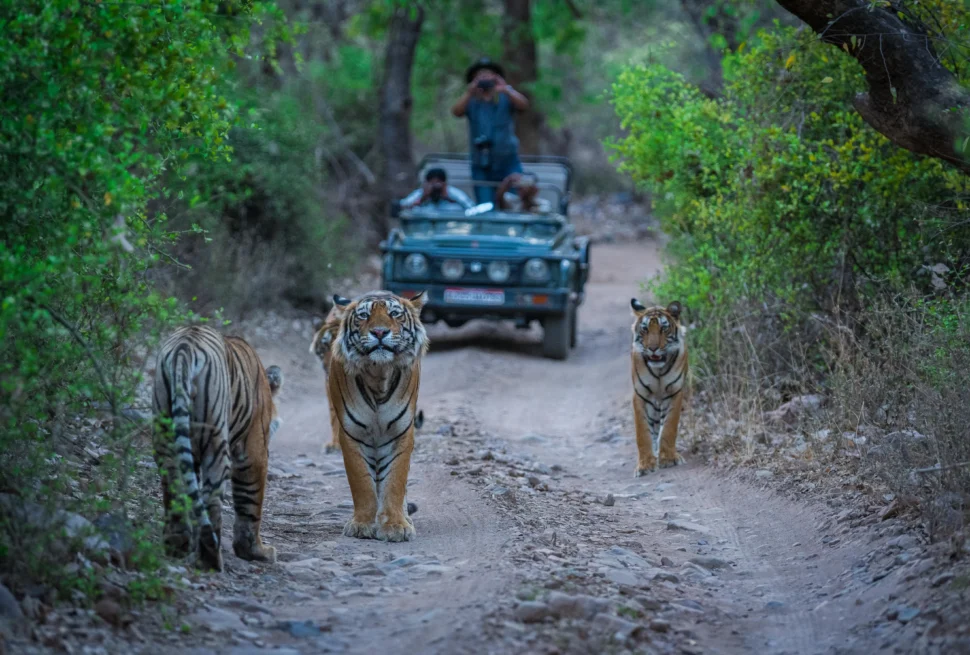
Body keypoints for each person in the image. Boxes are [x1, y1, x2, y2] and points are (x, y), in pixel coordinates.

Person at [451, 57, 530, 205]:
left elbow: (524, 105)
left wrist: (505, 88)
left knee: (514, 203)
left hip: (508, 161)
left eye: (488, 75)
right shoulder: (471, 101)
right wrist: (470, 92)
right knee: (485, 206)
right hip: (481, 163)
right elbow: (456, 112)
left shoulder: (505, 98)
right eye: (480, 76)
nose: (484, 79)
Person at [400, 167, 474, 210]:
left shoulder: (454, 193)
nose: (435, 187)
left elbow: (471, 208)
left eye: (438, 183)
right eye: (432, 183)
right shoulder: (420, 194)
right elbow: (403, 207)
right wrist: (423, 198)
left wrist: (448, 198)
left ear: (444, 183)